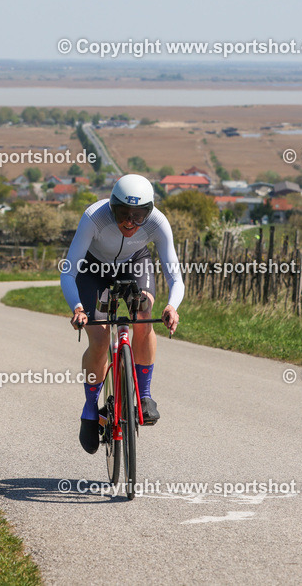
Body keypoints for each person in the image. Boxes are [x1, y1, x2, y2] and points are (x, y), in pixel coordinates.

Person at [60, 174, 184, 454]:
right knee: (101, 336)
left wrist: (172, 306)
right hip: (92, 270)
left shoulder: (158, 222)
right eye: (123, 214)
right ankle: (91, 409)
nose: (130, 222)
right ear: (112, 207)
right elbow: (68, 271)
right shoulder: (94, 216)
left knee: (143, 314)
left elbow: (175, 276)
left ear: (149, 213)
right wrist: (78, 308)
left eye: (139, 216)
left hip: (134, 264)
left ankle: (145, 395)